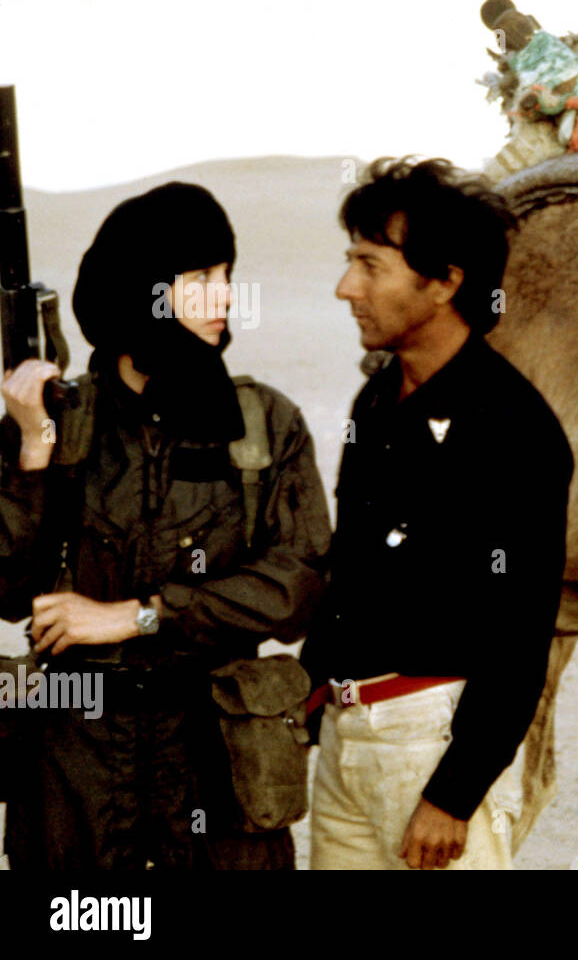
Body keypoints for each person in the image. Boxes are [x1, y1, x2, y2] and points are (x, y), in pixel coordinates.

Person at [0, 182, 332, 869]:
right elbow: (7, 588)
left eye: (227, 276)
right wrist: (32, 450)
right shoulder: (62, 420)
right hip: (77, 768)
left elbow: (297, 586)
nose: (225, 299)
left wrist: (140, 616)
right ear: (141, 286)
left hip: (214, 758)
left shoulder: (264, 425)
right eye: (201, 278)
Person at [300, 157, 573, 871]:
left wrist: (453, 795)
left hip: (433, 743)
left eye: (370, 266)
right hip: (345, 736)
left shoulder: (515, 427)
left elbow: (522, 634)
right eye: (348, 262)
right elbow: (352, 573)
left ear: (446, 280)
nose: (345, 288)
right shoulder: (377, 399)